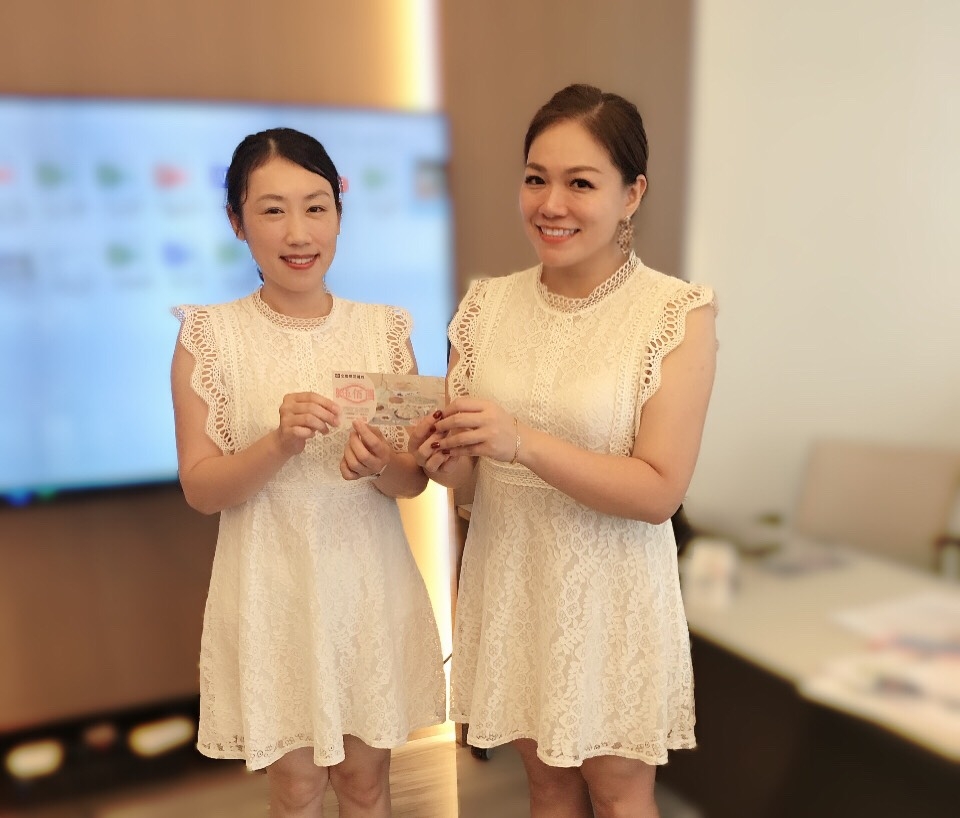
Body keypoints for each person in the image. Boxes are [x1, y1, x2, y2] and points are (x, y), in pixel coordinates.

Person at [409, 84, 717, 818]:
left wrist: (520, 441)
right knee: (546, 785)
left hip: (613, 593)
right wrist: (441, 457)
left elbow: (659, 492)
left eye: (580, 183)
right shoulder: (485, 306)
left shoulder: (675, 313)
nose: (551, 204)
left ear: (631, 194)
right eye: (536, 178)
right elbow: (468, 476)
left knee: (619, 792)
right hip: (514, 578)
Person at [170, 127, 445, 818]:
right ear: (237, 222)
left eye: (316, 207)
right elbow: (201, 488)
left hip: (367, 583)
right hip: (273, 590)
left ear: (339, 215)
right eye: (272, 210)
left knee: (365, 784)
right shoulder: (209, 336)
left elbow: (412, 480)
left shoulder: (384, 330)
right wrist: (277, 444)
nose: (298, 232)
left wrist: (380, 466)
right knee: (295, 790)